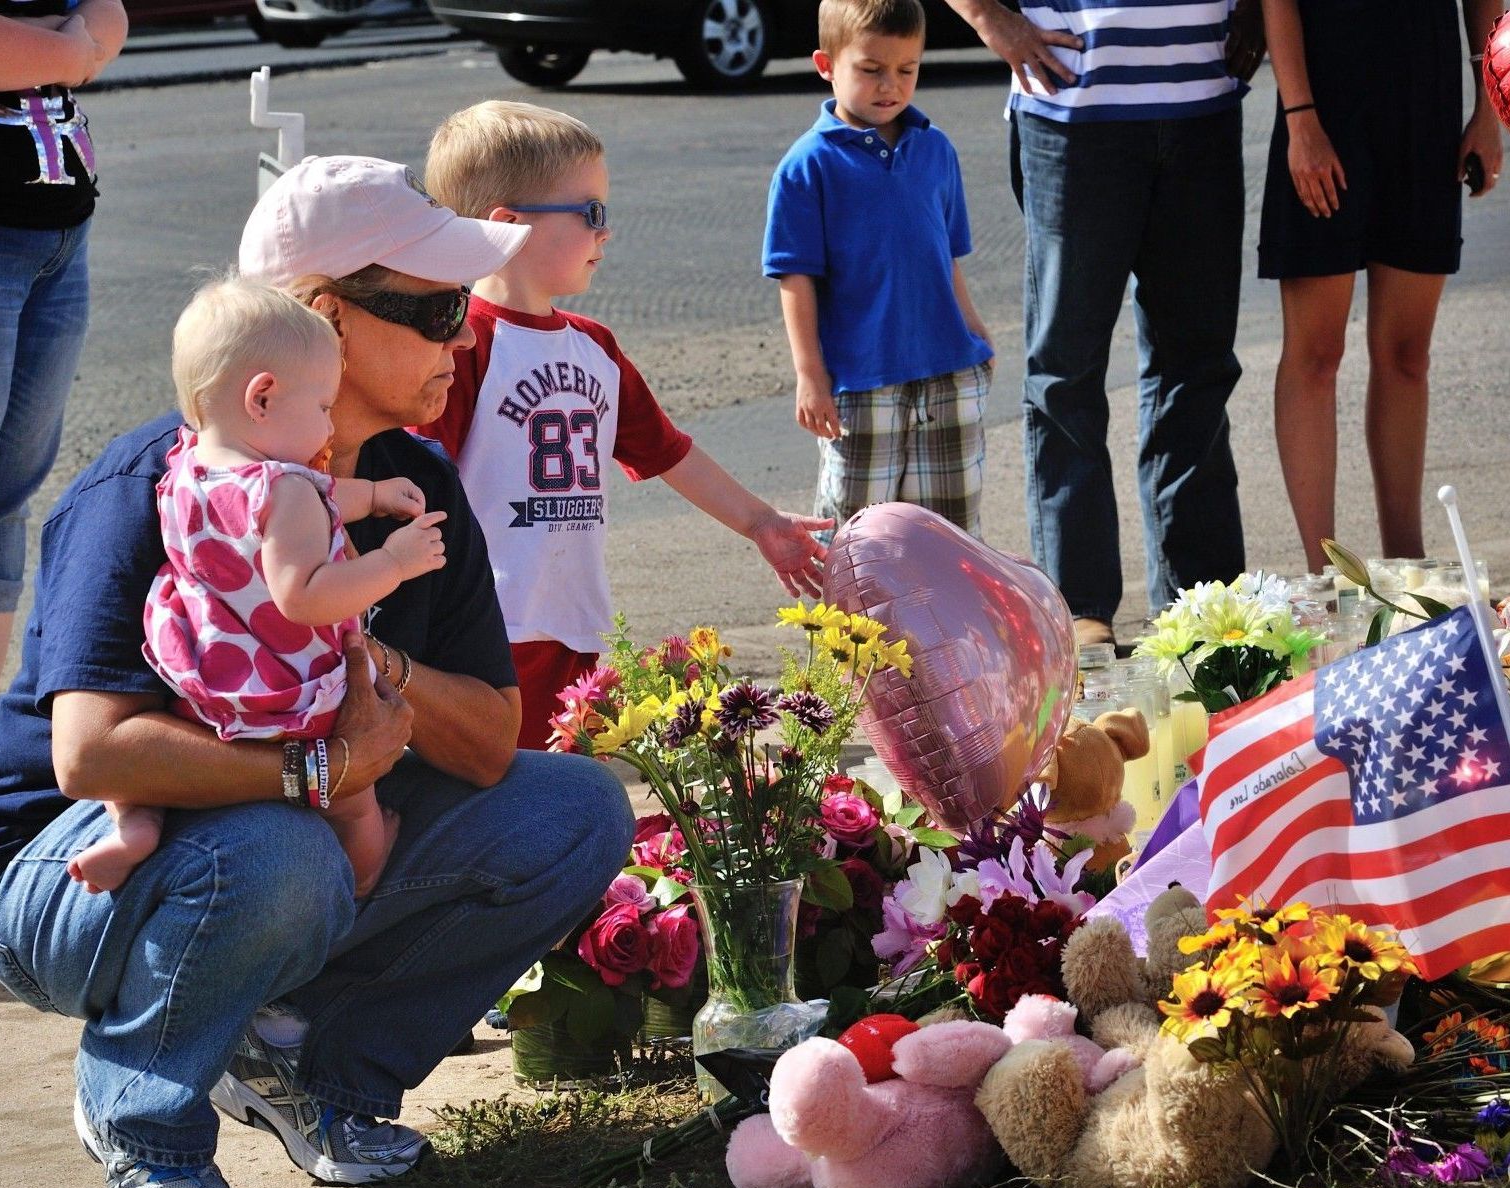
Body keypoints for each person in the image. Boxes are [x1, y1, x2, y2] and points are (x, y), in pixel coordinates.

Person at [0, 156, 637, 1188]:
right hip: (54, 869)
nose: (461, 335)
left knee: (577, 809)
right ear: (323, 318)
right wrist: (325, 767)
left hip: (268, 834)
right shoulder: (154, 488)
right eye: (434, 305)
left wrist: (381, 669)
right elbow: (89, 755)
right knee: (284, 851)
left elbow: (495, 742)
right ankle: (145, 1126)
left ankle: (319, 1072)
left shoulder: (412, 480)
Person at [419, 101, 832, 751]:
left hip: (579, 624)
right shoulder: (463, 344)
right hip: (491, 630)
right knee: (508, 795)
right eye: (590, 213)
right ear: (508, 227)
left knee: (568, 795)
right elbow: (423, 485)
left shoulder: (594, 347)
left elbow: (667, 451)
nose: (605, 232)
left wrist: (762, 523)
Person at [67, 279, 446, 899]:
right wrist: (394, 563)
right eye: (323, 405)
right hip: (285, 694)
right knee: (359, 806)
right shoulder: (285, 488)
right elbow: (306, 595)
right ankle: (356, 882)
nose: (329, 423)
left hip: (201, 675)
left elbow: (311, 509)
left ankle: (134, 826)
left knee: (148, 780)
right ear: (263, 397)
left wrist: (374, 496)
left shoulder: (187, 467)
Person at [942, 0, 1264, 649]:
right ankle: (1079, 603)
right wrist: (987, 18)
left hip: (1202, 107)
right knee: (1066, 374)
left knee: (1196, 367)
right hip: (1071, 117)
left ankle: (1200, 601)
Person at [0, 0, 127, 807]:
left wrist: (60, 50)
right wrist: (71, 51)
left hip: (56, 233)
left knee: (1, 503)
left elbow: (110, 17)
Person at [1259, 0, 1503, 571]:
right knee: (1316, 355)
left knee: (1406, 355)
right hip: (1324, 108)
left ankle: (1406, 562)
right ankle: (1324, 576)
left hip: (1427, 108)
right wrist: (1299, 117)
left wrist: (1489, 109)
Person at [764, 0, 996, 540]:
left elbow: (947, 257)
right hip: (861, 385)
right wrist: (810, 375)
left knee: (951, 536)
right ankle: (847, 631)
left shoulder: (936, 150)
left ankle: (945, 630)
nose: (889, 84)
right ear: (827, 65)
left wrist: (976, 335)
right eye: (870, 70)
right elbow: (794, 278)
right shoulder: (807, 165)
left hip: (950, 373)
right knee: (859, 537)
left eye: (907, 69)